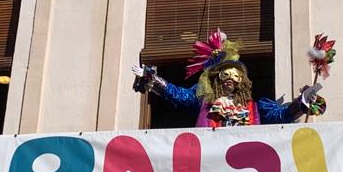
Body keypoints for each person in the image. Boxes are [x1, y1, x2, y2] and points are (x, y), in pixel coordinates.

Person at [132, 30, 326, 128]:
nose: (230, 79)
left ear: (242, 81)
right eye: (225, 74)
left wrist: (301, 104)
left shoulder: (255, 108)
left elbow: (280, 115)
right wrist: (152, 79)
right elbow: (179, 95)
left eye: (235, 75)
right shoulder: (205, 103)